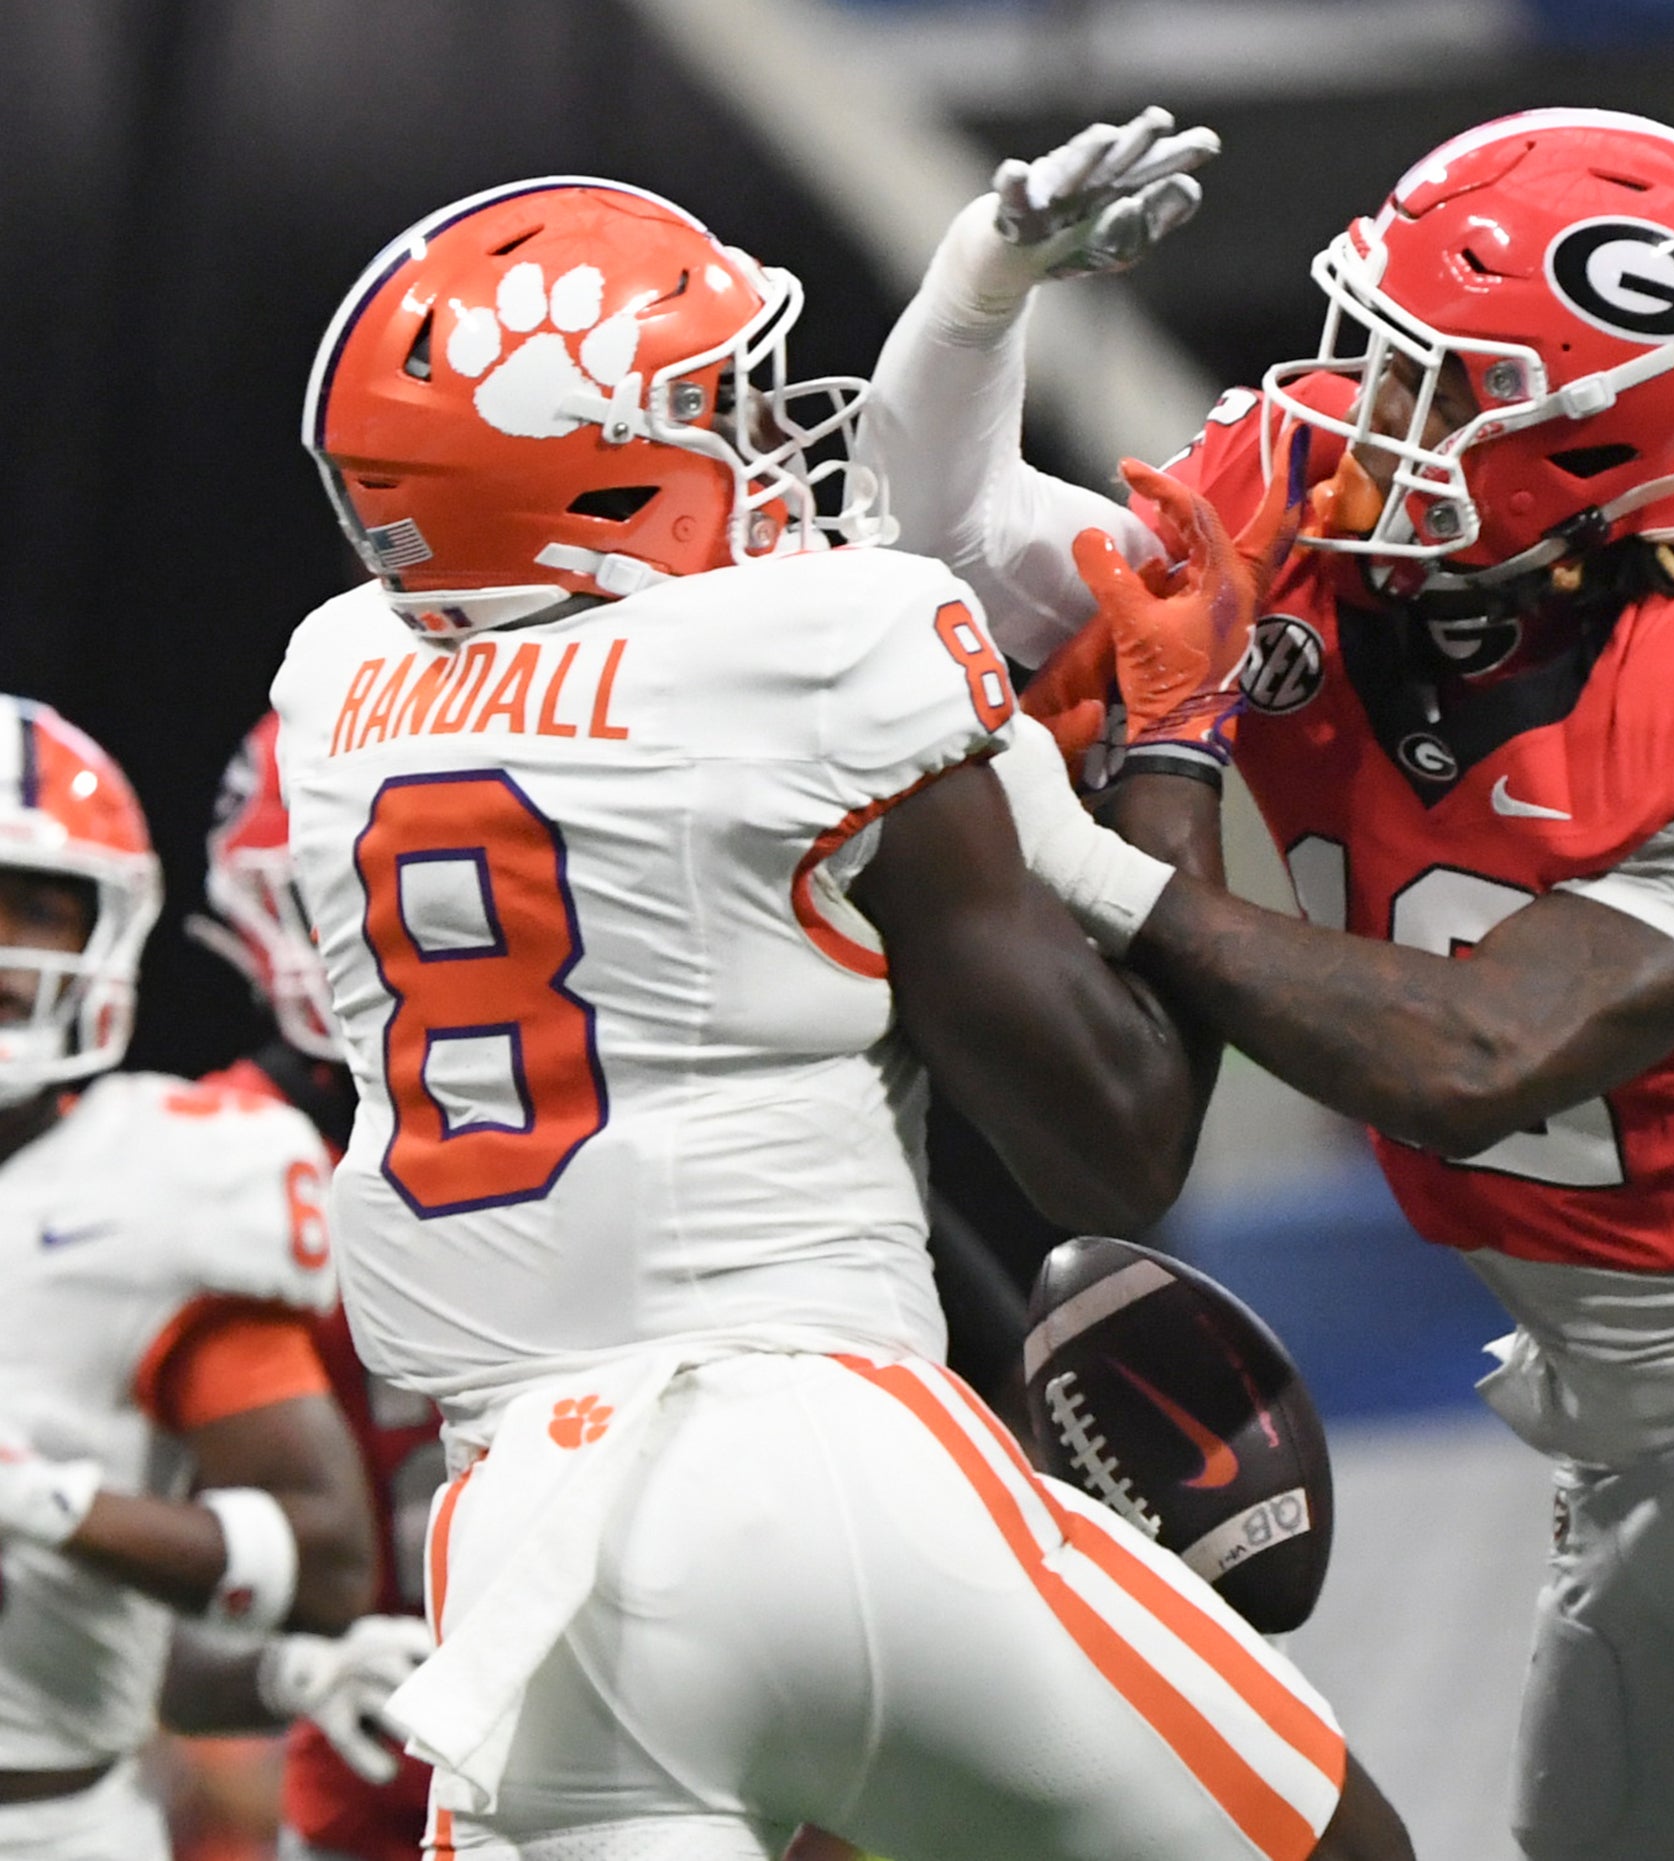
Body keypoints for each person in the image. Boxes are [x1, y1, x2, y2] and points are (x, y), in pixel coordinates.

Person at [865, 108, 1674, 1861]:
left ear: (1612, 455)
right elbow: (953, 557)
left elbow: (1475, 1053)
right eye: (1382, 349)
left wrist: (1108, 849)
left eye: (1443, 384)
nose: (1367, 406)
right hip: (1615, 1451)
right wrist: (980, 294)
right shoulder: (1319, 504)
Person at [273, 174, 1409, 1861]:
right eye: (717, 408)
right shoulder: (826, 646)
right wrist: (1167, 762)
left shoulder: (334, 681)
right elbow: (1118, 1146)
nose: (765, 442)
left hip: (526, 1547)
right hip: (820, 1464)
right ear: (592, 470)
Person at [0, 698, 409, 1860]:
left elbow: (324, 1561)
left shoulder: (162, 1179)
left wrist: (46, 1502)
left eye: (39, 903)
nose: (8, 950)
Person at [190, 711, 445, 1861]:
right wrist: (296, 1666)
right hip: (371, 1788)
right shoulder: (205, 1165)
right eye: (337, 890)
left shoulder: (637, 1092)